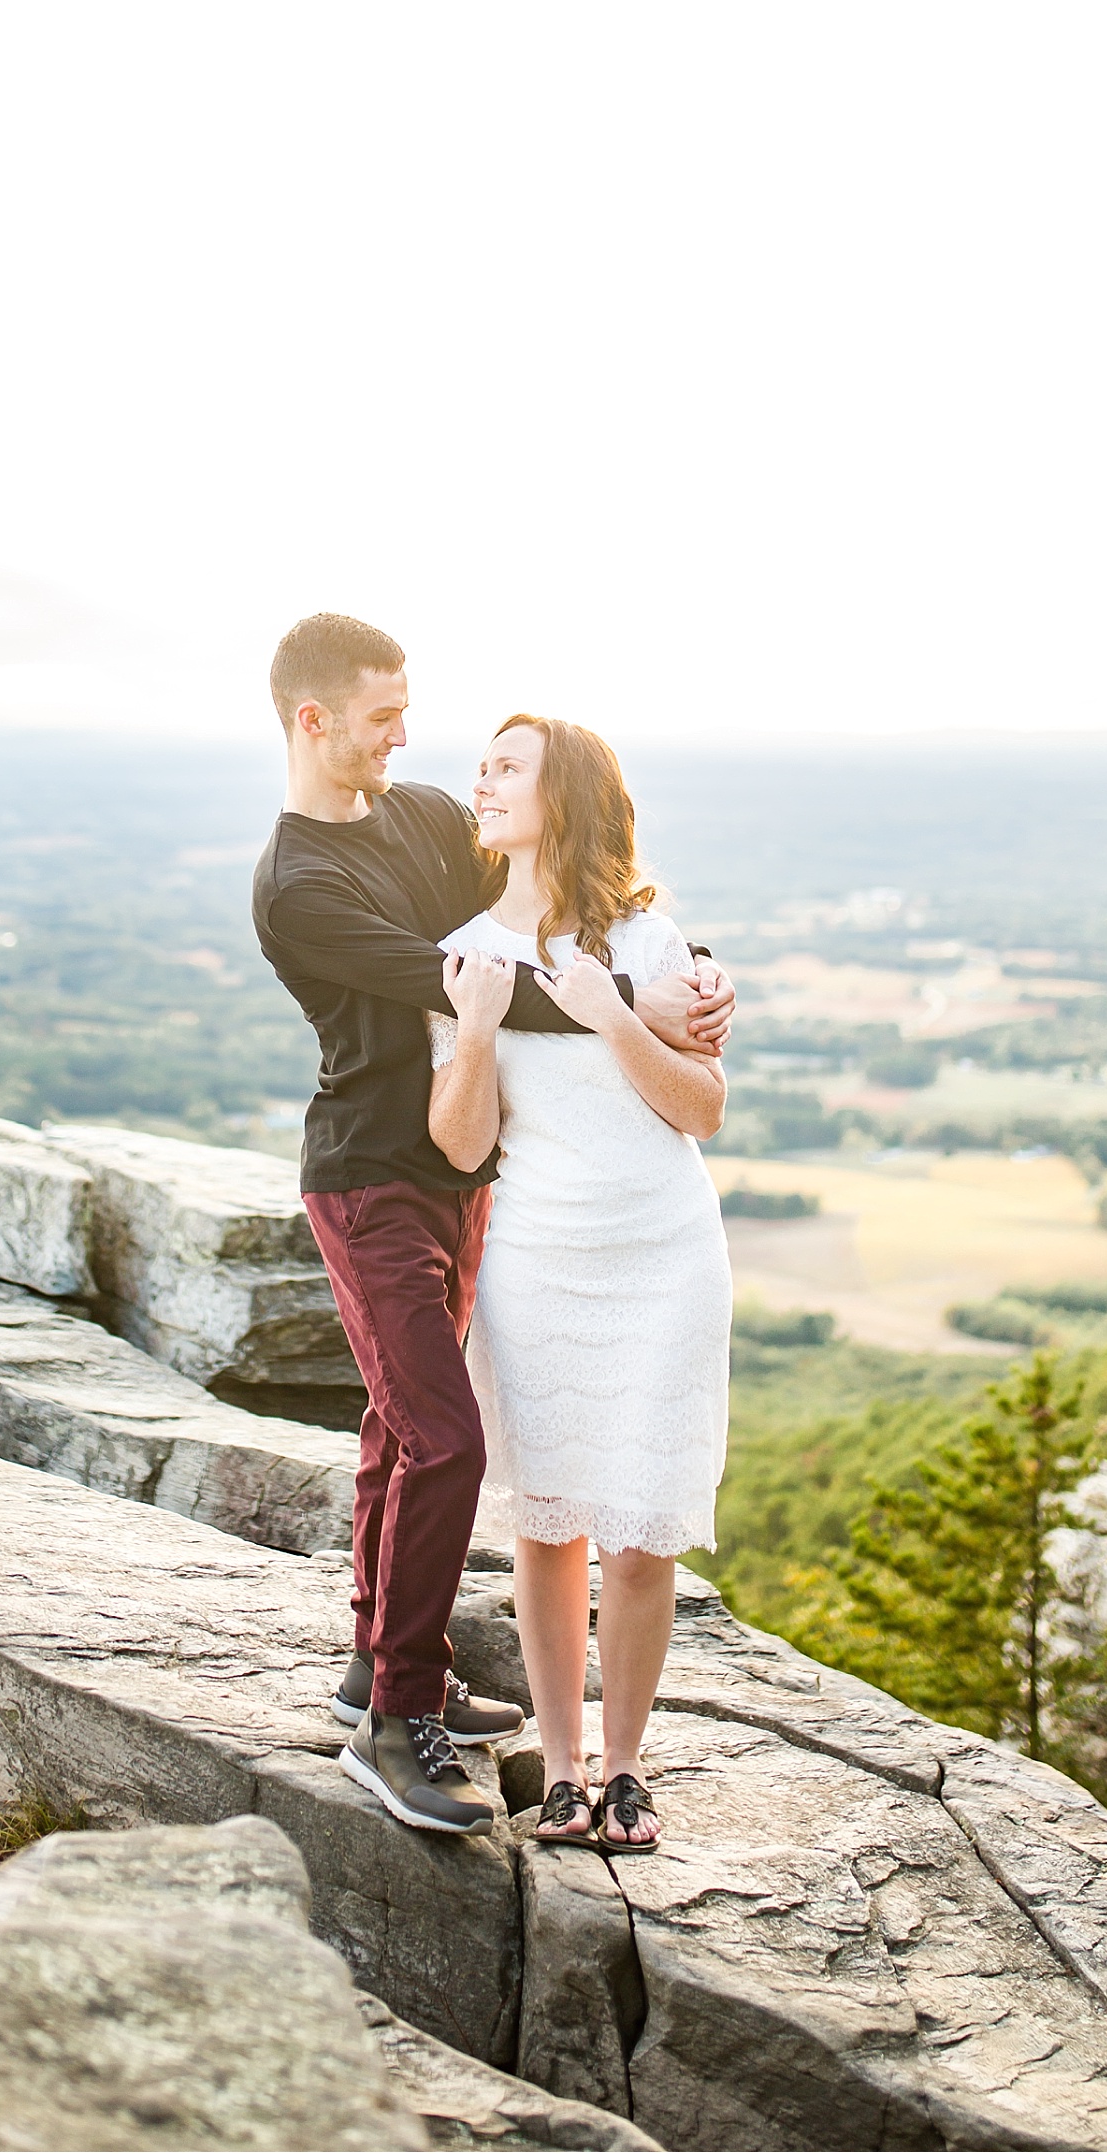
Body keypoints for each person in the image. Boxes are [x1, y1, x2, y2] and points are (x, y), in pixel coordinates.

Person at [252, 614, 734, 1837]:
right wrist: (650, 1005)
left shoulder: (419, 819)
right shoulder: (300, 885)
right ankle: (394, 1719)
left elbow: (556, 895)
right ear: (315, 719)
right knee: (447, 1439)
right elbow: (482, 985)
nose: (409, 737)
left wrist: (694, 968)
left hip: (475, 1189)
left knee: (394, 1432)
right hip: (375, 1175)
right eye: (381, 715)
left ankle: (380, 1661)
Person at [426, 715, 731, 1851]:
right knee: (548, 1527)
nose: (484, 781)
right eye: (486, 766)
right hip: (539, 1260)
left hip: (662, 1253)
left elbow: (700, 1107)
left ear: (566, 795)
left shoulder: (646, 938)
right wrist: (471, 1033)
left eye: (509, 766)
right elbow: (461, 1147)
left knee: (639, 1532)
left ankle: (628, 1766)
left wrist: (608, 1014)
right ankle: (560, 1770)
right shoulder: (462, 949)